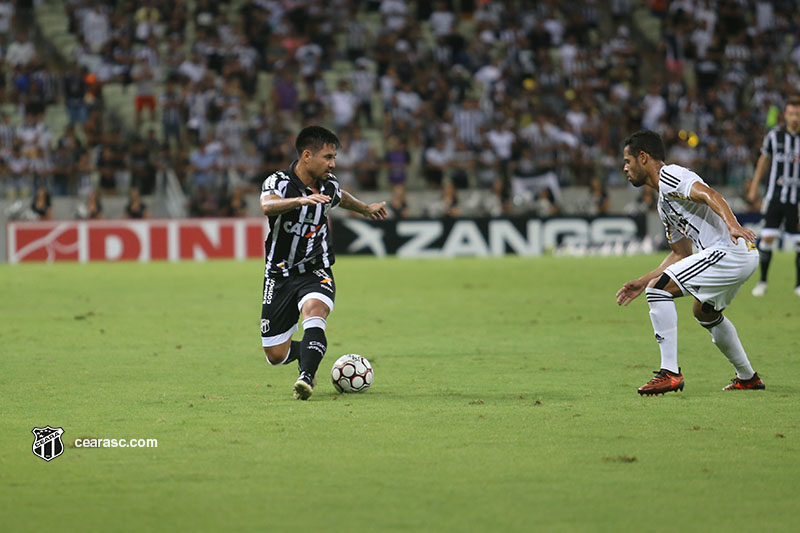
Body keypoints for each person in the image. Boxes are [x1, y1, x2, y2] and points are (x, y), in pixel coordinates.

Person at [616, 130, 765, 395]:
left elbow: (710, 195)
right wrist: (642, 280)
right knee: (703, 312)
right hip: (737, 255)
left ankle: (670, 373)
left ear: (643, 157)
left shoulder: (671, 175)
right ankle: (748, 377)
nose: (624, 168)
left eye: (628, 161)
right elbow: (681, 254)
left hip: (730, 250)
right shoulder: (664, 204)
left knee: (658, 290)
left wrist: (732, 225)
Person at [259, 126, 387, 400]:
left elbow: (341, 198)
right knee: (275, 355)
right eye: (328, 157)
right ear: (307, 156)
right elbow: (267, 206)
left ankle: (306, 377)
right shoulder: (279, 182)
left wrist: (365, 208)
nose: (333, 164)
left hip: (316, 270)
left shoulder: (330, 183)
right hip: (279, 274)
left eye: (334, 158)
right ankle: (306, 356)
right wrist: (299, 200)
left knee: (314, 314)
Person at [746, 95, 800, 297]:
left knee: (798, 242)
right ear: (785, 115)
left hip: (797, 200)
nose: (795, 117)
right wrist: (753, 187)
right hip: (774, 196)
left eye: (798, 114)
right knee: (767, 238)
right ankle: (762, 282)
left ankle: (798, 285)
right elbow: (763, 161)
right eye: (791, 113)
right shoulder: (774, 136)